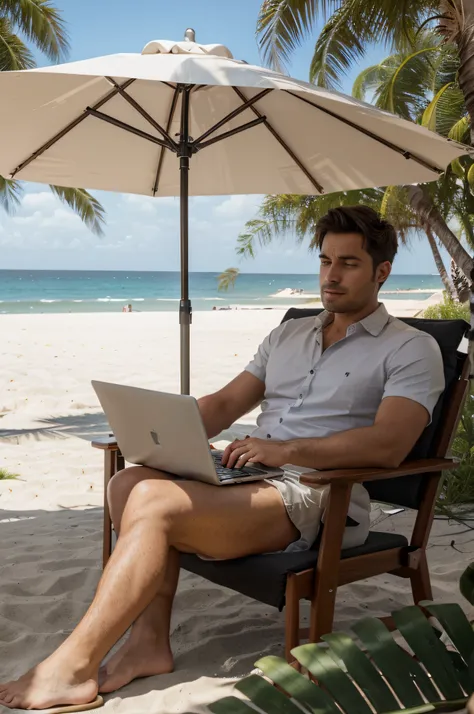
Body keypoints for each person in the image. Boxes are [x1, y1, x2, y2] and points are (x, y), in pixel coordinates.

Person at [0, 206, 445, 711]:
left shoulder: (412, 348)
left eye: (349, 263)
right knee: (129, 483)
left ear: (382, 271)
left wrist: (284, 450)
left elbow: (389, 443)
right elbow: (224, 405)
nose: (331, 275)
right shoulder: (289, 335)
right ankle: (147, 644)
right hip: (254, 477)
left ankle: (74, 666)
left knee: (154, 502)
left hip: (320, 494)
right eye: (324, 261)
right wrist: (159, 429)